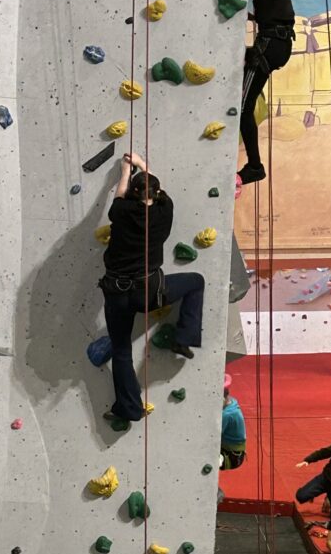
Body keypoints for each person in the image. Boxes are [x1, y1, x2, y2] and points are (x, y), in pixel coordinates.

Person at [101, 153, 205, 422]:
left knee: (121, 351)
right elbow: (158, 190)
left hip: (117, 293)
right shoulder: (163, 211)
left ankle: (130, 408)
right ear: (155, 193)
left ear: (133, 193)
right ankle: (184, 338)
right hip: (149, 293)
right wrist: (144, 165)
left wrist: (127, 170)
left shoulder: (122, 212)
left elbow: (120, 194)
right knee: (196, 282)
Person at [238, 0, 301, 186]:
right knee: (242, 89)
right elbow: (267, 10)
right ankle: (253, 165)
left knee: (242, 107)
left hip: (272, 43)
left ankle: (254, 165)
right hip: (275, 42)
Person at [220, 375, 247, 469]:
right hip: (234, 452)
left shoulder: (226, 415)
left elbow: (212, 436)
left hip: (231, 456)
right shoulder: (232, 402)